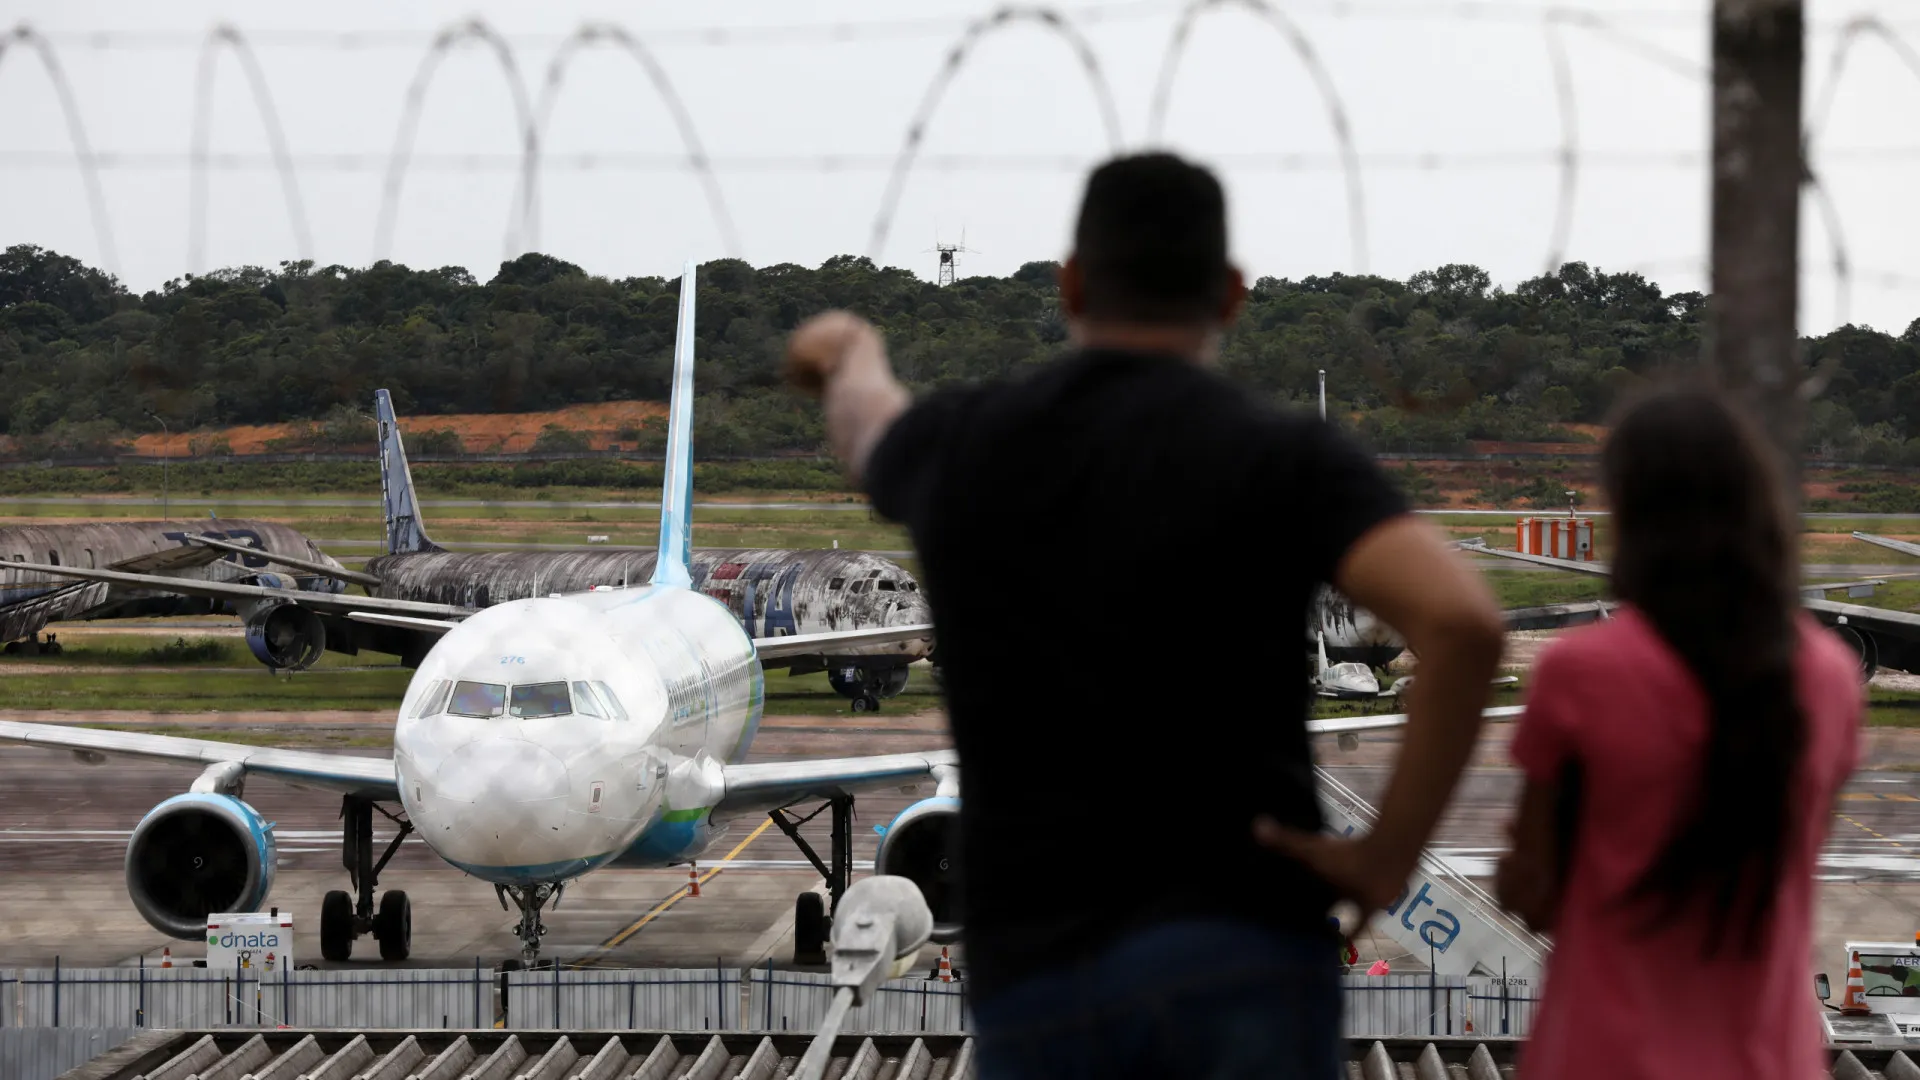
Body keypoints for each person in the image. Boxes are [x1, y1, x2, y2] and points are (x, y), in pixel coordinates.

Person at [785, 152, 1505, 1078]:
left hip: (1047, 965)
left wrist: (846, 348)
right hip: (1245, 953)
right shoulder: (1288, 458)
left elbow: (864, 421)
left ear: (1071, 283)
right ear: (1233, 294)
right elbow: (1465, 627)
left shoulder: (967, 443)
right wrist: (1385, 856)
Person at [1494, 386, 1863, 1080]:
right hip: (1770, 1057)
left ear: (1628, 509)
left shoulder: (1581, 671)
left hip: (1603, 1053)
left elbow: (1529, 889)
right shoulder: (1831, 677)